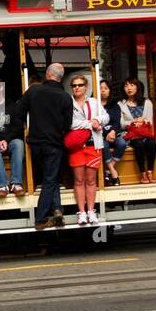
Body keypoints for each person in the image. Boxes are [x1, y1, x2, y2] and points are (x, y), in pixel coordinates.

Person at [11, 62, 72, 229]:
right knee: (50, 180)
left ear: (47, 74)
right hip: (54, 144)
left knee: (49, 178)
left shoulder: (34, 91)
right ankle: (41, 219)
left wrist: (23, 132)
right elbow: (68, 124)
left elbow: (18, 113)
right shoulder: (66, 97)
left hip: (35, 143)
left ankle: (58, 209)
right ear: (61, 78)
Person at [67, 73, 108, 226]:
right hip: (77, 146)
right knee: (78, 180)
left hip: (93, 145)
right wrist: (91, 124)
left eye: (80, 85)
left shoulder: (94, 102)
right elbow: (70, 123)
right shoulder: (68, 103)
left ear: (86, 87)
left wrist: (98, 120)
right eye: (74, 85)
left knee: (91, 180)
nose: (77, 88)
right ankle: (81, 212)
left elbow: (106, 117)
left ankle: (91, 211)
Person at [116, 77, 156, 184]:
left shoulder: (147, 102)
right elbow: (121, 123)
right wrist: (132, 122)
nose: (129, 88)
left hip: (144, 132)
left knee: (151, 143)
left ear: (137, 87)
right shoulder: (120, 104)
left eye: (132, 85)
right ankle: (142, 174)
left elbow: (150, 120)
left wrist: (143, 121)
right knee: (138, 144)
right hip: (131, 134)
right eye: (126, 86)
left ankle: (150, 172)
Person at [99, 79, 125, 185]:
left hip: (113, 135)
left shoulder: (115, 105)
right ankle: (113, 172)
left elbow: (117, 122)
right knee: (103, 145)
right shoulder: (93, 105)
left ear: (110, 90)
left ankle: (108, 170)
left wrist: (113, 132)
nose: (103, 91)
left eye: (106, 88)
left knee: (122, 143)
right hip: (100, 136)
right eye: (100, 88)